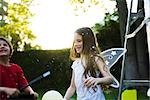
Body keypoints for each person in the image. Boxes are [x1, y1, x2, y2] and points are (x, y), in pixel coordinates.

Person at [63, 27, 113, 100]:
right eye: (74, 42)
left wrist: (98, 80)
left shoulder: (96, 59)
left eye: (79, 41)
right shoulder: (76, 64)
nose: (76, 44)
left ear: (87, 42)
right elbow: (72, 87)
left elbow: (110, 79)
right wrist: (65, 99)